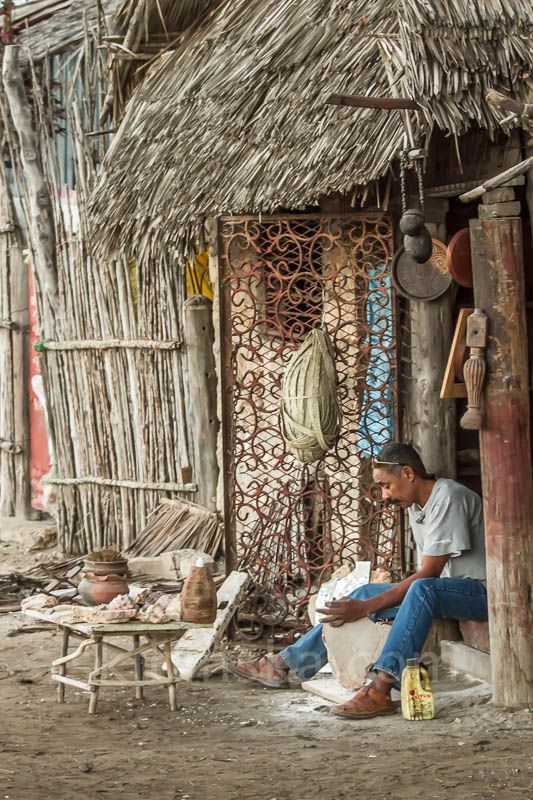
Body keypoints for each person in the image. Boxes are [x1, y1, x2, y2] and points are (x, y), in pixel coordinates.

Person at [228, 442, 488, 719]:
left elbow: (429, 573)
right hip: (446, 591)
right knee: (365, 592)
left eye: (387, 485)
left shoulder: (448, 496)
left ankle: (380, 690)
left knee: (418, 589)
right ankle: (282, 663)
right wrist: (365, 603)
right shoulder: (416, 505)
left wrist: (366, 609)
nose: (385, 496)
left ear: (409, 474)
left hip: (481, 593)